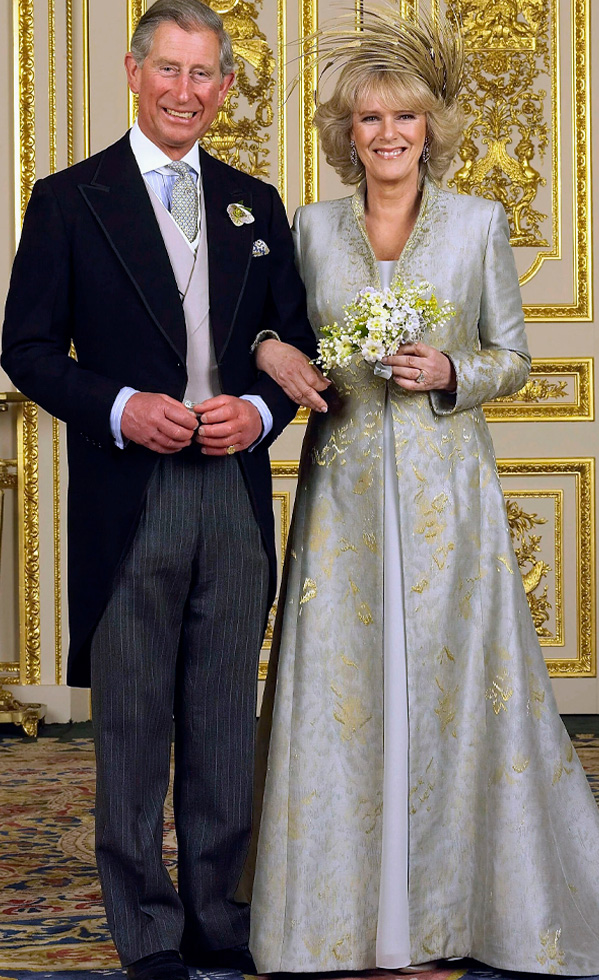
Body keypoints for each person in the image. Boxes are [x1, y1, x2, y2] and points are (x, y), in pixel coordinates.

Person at [247, 8, 599, 976]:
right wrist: (275, 351)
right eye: (369, 119)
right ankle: (332, 922)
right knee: (344, 693)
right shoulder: (310, 228)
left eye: (403, 118)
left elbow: (512, 358)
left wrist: (450, 370)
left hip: (449, 498)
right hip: (342, 496)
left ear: (429, 128)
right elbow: (272, 332)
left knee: (446, 690)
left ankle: (448, 914)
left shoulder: (478, 223)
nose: (388, 134)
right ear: (346, 133)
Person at [1, 1, 322, 978]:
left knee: (223, 720)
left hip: (231, 490)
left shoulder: (254, 202)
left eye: (204, 74)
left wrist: (260, 413)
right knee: (134, 723)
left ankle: (217, 915)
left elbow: (292, 344)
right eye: (170, 70)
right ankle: (145, 927)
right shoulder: (69, 199)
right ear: (134, 73)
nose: (186, 91)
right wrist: (119, 405)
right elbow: (25, 349)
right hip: (129, 494)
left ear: (224, 87)